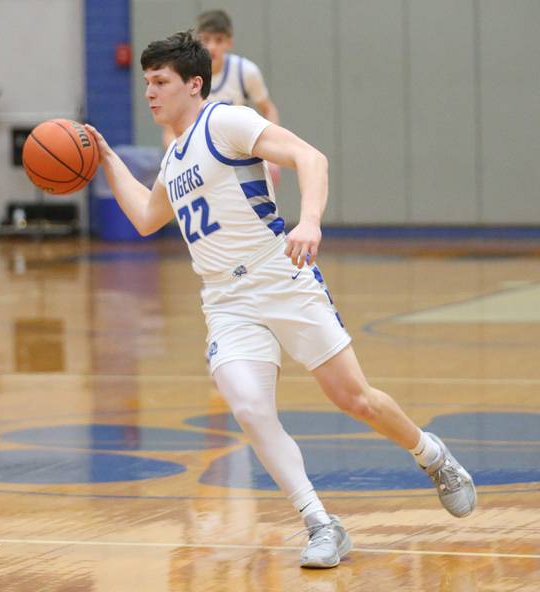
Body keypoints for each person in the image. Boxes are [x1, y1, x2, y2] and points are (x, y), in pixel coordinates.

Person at [86, 31, 476, 569]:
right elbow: (147, 218)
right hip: (225, 298)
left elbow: (309, 157)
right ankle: (320, 522)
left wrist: (309, 221)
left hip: (280, 275)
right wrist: (106, 158)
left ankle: (431, 455)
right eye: (146, 82)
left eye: (160, 82)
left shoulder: (224, 122)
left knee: (355, 399)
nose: (149, 92)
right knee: (247, 405)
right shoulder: (173, 157)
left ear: (193, 84)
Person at [163, 9, 282, 185]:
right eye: (206, 40)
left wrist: (273, 155)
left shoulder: (245, 72)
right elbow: (169, 130)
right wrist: (176, 159)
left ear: (229, 42)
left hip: (236, 150)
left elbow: (268, 109)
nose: (212, 47)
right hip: (200, 155)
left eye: (218, 40)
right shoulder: (187, 77)